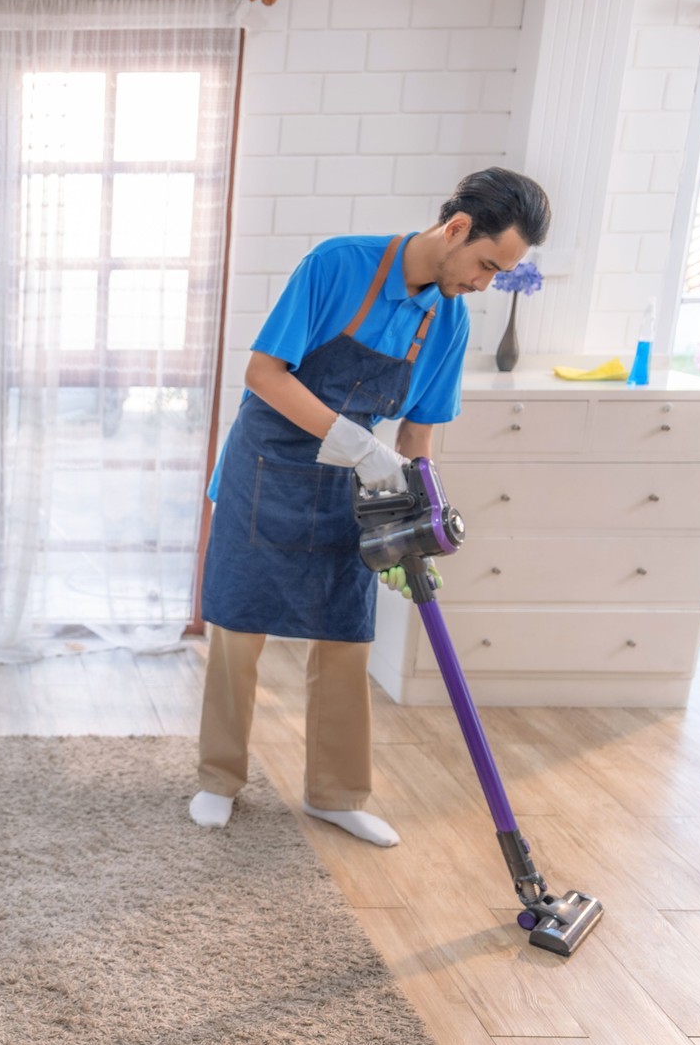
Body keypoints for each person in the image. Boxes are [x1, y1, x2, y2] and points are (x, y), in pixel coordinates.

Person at [193, 168, 551, 847]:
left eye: (499, 275)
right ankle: (219, 779)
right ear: (456, 230)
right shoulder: (337, 265)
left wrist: (420, 519)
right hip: (265, 471)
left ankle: (335, 794)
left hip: (347, 489)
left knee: (346, 638)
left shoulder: (447, 321)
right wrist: (354, 440)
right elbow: (263, 374)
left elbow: (418, 435)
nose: (484, 283)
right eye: (485, 265)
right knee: (238, 633)